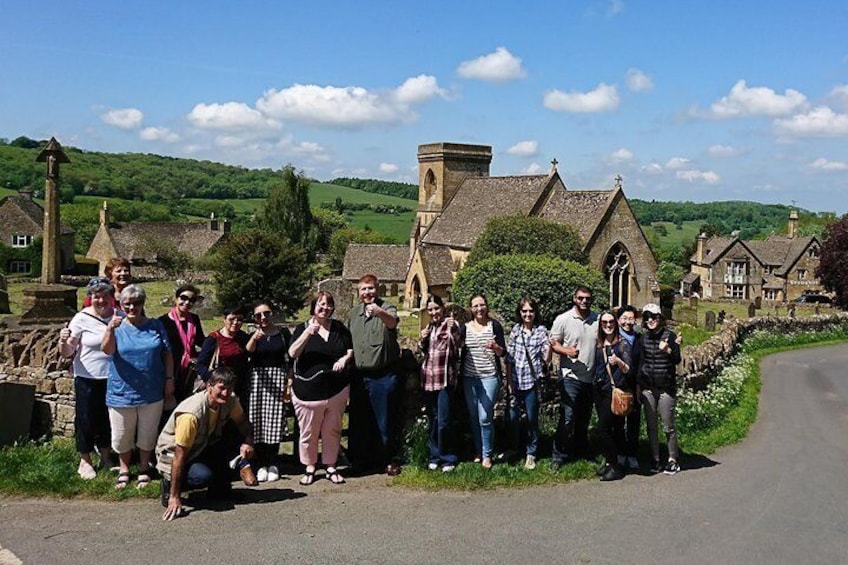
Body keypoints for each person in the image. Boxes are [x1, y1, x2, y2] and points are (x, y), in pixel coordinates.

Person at [156, 367, 256, 521]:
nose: (225, 393)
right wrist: (175, 497)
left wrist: (248, 442)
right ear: (209, 386)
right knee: (202, 476)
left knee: (233, 444)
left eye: (229, 389)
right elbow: (179, 455)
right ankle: (170, 487)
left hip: (200, 446)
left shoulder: (230, 401)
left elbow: (243, 424)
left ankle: (219, 490)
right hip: (174, 455)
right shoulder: (191, 415)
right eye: (221, 388)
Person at [101, 284, 175, 489]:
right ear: (121, 305)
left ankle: (144, 467)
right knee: (122, 434)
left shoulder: (155, 325)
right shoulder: (115, 326)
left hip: (152, 390)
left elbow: (167, 353)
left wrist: (169, 379)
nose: (132, 308)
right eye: (127, 304)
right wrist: (109, 329)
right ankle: (124, 468)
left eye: (136, 303)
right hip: (121, 391)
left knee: (148, 432)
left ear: (143, 304)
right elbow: (106, 350)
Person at [288, 292, 354, 485]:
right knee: (308, 432)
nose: (325, 308)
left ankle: (330, 466)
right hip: (308, 393)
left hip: (336, 390)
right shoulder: (303, 328)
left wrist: (344, 359)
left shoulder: (339, 328)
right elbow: (293, 353)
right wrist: (308, 333)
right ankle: (309, 467)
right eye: (321, 304)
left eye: (329, 305)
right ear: (314, 307)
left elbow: (350, 349)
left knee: (332, 430)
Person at [59, 277, 120, 480]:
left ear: (111, 297)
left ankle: (105, 455)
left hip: (113, 377)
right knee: (85, 418)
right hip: (87, 377)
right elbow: (68, 352)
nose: (101, 301)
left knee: (107, 418)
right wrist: (62, 341)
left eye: (104, 296)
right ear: (90, 298)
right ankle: (85, 459)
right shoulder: (81, 318)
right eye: (96, 297)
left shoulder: (118, 316)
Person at [348, 274, 402, 475]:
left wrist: (379, 313)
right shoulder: (354, 314)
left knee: (385, 420)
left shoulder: (386, 308)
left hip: (383, 375)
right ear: (359, 292)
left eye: (370, 288)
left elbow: (392, 324)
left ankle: (388, 460)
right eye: (363, 289)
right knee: (360, 421)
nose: (367, 293)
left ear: (377, 289)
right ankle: (361, 460)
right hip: (360, 376)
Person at [549, 286, 599, 470]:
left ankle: (580, 450)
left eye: (587, 298)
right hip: (570, 376)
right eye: (580, 298)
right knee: (568, 417)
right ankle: (558, 455)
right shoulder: (563, 319)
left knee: (584, 418)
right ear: (574, 299)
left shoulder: (597, 319)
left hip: (590, 377)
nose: (584, 301)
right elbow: (553, 343)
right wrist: (567, 351)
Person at [245, 302, 291, 483]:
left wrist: (289, 380)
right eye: (258, 315)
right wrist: (255, 338)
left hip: (278, 378)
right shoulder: (253, 335)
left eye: (267, 313)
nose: (263, 318)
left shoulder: (283, 333)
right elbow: (247, 351)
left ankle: (273, 462)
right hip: (258, 380)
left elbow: (290, 358)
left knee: (275, 422)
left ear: (273, 314)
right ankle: (260, 464)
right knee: (258, 422)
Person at [459, 294, 506, 469]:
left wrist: (495, 347)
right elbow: (456, 345)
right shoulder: (465, 328)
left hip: (489, 377)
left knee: (485, 417)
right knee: (474, 416)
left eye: (482, 305)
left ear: (487, 306)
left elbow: (503, 353)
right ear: (471, 308)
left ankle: (487, 454)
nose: (479, 309)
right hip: (469, 378)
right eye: (475, 306)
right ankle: (479, 450)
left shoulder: (494, 326)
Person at [505, 296, 550, 470]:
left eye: (531, 311)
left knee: (532, 419)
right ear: (520, 312)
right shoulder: (516, 330)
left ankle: (531, 453)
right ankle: (513, 448)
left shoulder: (541, 331)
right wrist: (509, 382)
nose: (528, 314)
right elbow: (509, 358)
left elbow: (546, 358)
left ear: (535, 312)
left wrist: (551, 346)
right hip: (516, 382)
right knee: (513, 418)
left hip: (532, 382)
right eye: (524, 311)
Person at [419, 295, 462, 472]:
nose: (434, 312)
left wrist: (453, 330)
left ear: (442, 308)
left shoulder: (451, 324)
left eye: (436, 308)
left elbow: (457, 347)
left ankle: (448, 457)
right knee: (433, 420)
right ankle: (434, 455)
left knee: (444, 420)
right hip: (429, 379)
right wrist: (422, 338)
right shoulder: (429, 326)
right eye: (430, 309)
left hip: (444, 379)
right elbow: (423, 351)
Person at [639, 303, 683, 475]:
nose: (650, 320)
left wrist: (669, 350)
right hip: (648, 388)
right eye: (647, 317)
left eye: (653, 316)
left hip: (666, 388)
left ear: (660, 318)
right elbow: (641, 362)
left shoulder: (670, 336)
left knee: (668, 426)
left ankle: (673, 460)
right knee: (651, 426)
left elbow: (678, 359)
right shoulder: (643, 338)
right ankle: (655, 459)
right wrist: (638, 386)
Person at [592, 311, 633, 481]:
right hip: (599, 389)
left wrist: (619, 362)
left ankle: (615, 466)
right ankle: (609, 463)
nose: (608, 325)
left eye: (611, 322)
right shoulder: (599, 343)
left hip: (614, 390)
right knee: (609, 429)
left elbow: (629, 369)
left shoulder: (622, 343)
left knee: (602, 430)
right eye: (604, 323)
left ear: (615, 324)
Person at [159, 284, 206, 404]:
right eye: (183, 298)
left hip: (188, 371)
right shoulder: (162, 321)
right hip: (169, 370)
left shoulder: (194, 319)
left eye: (191, 300)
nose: (187, 302)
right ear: (176, 298)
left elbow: (201, 341)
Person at [196, 305, 251, 407]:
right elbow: (200, 364)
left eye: (239, 320)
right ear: (224, 319)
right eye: (231, 319)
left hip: (240, 387)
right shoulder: (213, 339)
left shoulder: (244, 337)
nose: (235, 323)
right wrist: (212, 380)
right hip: (220, 388)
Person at [616, 305, 642, 471]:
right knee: (618, 421)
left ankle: (632, 454)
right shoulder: (614, 338)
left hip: (636, 385)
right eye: (624, 318)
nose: (627, 322)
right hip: (619, 385)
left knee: (634, 422)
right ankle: (619, 454)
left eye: (631, 318)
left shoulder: (640, 337)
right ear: (618, 320)